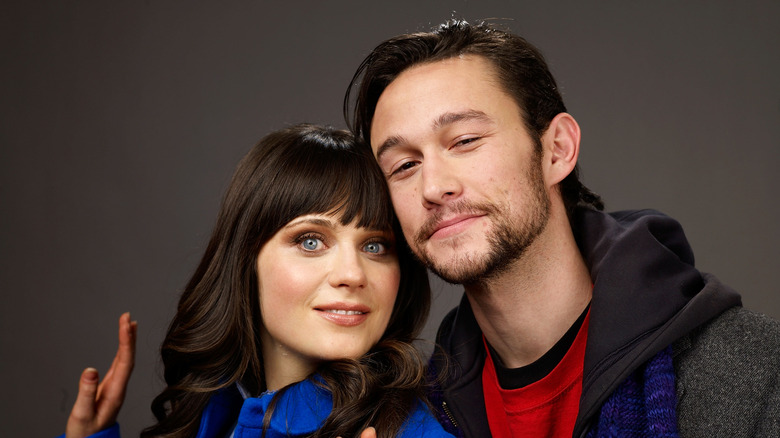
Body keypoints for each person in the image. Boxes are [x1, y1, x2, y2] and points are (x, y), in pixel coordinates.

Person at [345, 19, 780, 437]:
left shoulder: (755, 370)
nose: (434, 186)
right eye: (404, 165)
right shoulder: (410, 417)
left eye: (465, 141)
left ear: (557, 150)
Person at [62, 124, 454, 438]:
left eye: (374, 246)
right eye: (311, 241)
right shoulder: (217, 407)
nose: (352, 274)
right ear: (246, 259)